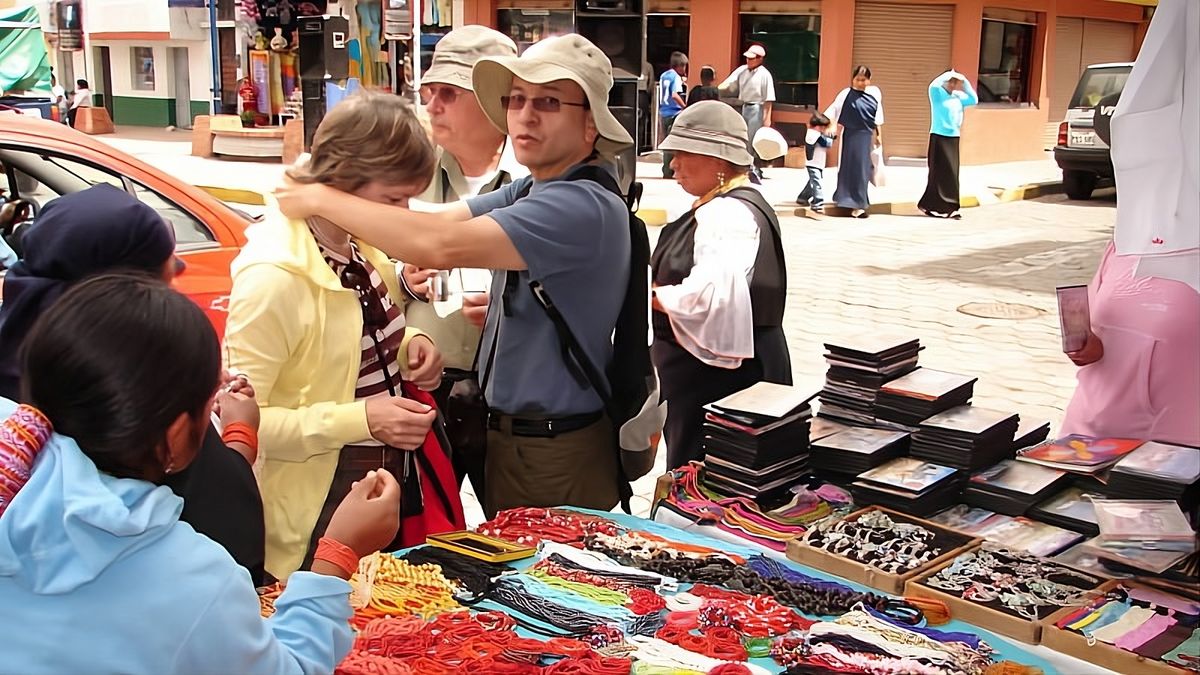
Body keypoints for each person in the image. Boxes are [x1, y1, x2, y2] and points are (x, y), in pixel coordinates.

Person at [274, 34, 633, 518]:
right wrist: (350, 185)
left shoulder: (576, 205)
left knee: (544, 584)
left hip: (552, 449)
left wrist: (317, 197)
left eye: (549, 102)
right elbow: (435, 218)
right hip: (523, 437)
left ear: (590, 123)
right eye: (517, 99)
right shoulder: (538, 186)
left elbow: (434, 245)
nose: (525, 115)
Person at [0, 273, 401, 673]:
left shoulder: (13, 471)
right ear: (175, 436)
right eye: (208, 401)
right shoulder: (193, 580)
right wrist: (337, 555)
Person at [225, 91, 462, 580]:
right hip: (311, 524)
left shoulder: (356, 249)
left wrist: (414, 344)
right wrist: (362, 419)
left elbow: (360, 340)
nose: (400, 214)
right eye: (391, 199)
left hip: (378, 494)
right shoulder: (274, 275)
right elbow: (245, 426)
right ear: (340, 182)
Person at [0, 184, 267, 584]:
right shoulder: (118, 375)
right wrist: (239, 434)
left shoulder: (33, 351)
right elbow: (216, 518)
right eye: (162, 281)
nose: (177, 277)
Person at [1060, 0, 1199, 448]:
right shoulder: (1124, 244)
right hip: (1091, 445)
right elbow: (1102, 341)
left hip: (1178, 459)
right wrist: (1091, 345)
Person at [402, 25, 526, 505]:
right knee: (423, 542)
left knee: (517, 535)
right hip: (428, 385)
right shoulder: (410, 169)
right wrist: (404, 278)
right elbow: (361, 266)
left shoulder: (535, 177)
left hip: (511, 398)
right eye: (429, 92)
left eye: (449, 94)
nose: (432, 106)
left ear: (494, 100)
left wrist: (506, 302)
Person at [652, 101, 792, 469]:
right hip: (718, 373)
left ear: (717, 160)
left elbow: (710, 292)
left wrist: (647, 297)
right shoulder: (731, 205)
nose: (673, 165)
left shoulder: (727, 212)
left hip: (718, 382)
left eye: (682, 154)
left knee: (711, 481)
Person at [826, 66, 884, 218]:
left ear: (869, 80)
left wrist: (878, 135)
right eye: (857, 79)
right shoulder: (845, 94)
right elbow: (834, 111)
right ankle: (845, 201)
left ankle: (859, 204)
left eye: (863, 80)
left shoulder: (874, 95)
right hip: (850, 136)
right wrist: (833, 126)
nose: (860, 83)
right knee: (848, 168)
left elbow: (877, 118)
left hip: (865, 137)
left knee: (862, 169)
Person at [918, 70, 978, 219]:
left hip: (953, 138)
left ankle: (951, 206)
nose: (952, 84)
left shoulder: (958, 97)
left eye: (954, 82)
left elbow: (973, 99)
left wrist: (963, 80)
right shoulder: (937, 95)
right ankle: (930, 204)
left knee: (952, 173)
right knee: (937, 174)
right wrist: (948, 75)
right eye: (950, 81)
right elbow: (933, 84)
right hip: (939, 137)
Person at [719, 45, 775, 183]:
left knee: (752, 139)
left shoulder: (765, 74)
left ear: (760, 59)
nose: (748, 61)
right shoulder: (742, 70)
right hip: (744, 106)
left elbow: (768, 99)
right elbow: (728, 84)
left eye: (752, 58)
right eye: (747, 58)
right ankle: (746, 166)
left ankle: (753, 167)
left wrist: (767, 119)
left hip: (757, 108)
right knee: (743, 138)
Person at [658, 51, 688, 179]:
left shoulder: (664, 75)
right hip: (673, 112)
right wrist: (685, 106)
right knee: (672, 142)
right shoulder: (675, 77)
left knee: (666, 141)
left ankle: (666, 169)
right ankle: (668, 170)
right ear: (680, 65)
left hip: (663, 111)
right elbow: (674, 95)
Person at [798, 112, 835, 212]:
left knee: (812, 182)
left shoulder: (815, 134)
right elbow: (826, 143)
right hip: (813, 164)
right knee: (816, 182)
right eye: (822, 127)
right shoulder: (813, 135)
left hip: (818, 163)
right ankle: (818, 202)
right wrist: (830, 137)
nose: (823, 130)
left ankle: (802, 197)